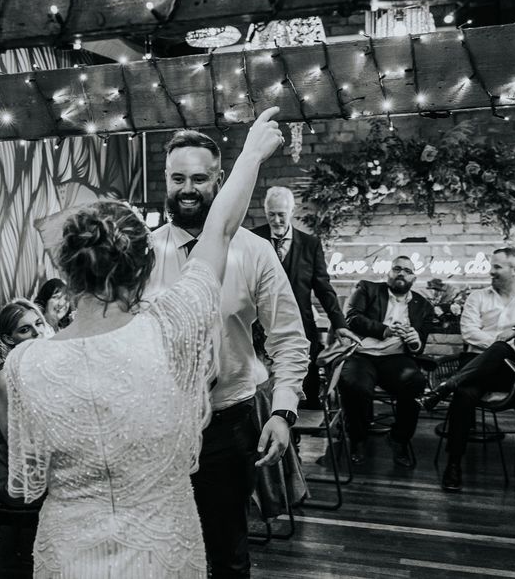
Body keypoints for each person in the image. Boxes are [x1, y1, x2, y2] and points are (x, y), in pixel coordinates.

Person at [0, 108, 286, 578]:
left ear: (68, 275)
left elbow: (26, 481)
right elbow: (221, 230)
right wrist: (252, 153)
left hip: (69, 548)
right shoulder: (171, 327)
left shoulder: (25, 361)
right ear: (142, 269)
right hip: (161, 544)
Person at [147, 130, 309, 577]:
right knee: (160, 548)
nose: (187, 189)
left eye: (199, 178)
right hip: (156, 425)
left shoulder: (255, 252)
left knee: (226, 552)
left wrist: (283, 412)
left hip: (228, 424)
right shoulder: (142, 253)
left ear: (220, 180)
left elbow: (289, 339)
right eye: (178, 178)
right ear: (166, 179)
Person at [420, 247, 515, 492]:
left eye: (497, 266)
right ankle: (454, 464)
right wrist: (502, 341)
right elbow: (468, 332)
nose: (491, 271)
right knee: (465, 396)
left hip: (509, 371)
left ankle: (443, 389)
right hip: (474, 365)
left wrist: (505, 344)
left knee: (500, 351)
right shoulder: (477, 297)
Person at [252, 186, 360, 408]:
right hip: (257, 329)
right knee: (260, 389)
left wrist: (339, 323)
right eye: (271, 214)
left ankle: (302, 438)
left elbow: (323, 288)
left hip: (300, 328)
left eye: (281, 214)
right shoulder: (252, 239)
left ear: (291, 212)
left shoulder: (310, 245)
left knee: (304, 390)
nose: (276, 220)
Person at [341, 256, 434, 467]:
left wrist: (415, 341)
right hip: (361, 355)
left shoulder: (423, 306)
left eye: (407, 271)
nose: (401, 273)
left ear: (414, 278)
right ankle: (358, 439)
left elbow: (420, 347)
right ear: (389, 272)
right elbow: (352, 317)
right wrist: (385, 330)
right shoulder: (368, 289)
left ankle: (399, 439)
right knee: (356, 386)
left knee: (416, 382)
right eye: (397, 269)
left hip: (395, 359)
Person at [0, 298, 48, 506]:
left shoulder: (37, 369)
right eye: (25, 330)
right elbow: (17, 444)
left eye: (38, 324)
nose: (37, 332)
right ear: (9, 339)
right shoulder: (5, 378)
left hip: (41, 464)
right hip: (17, 479)